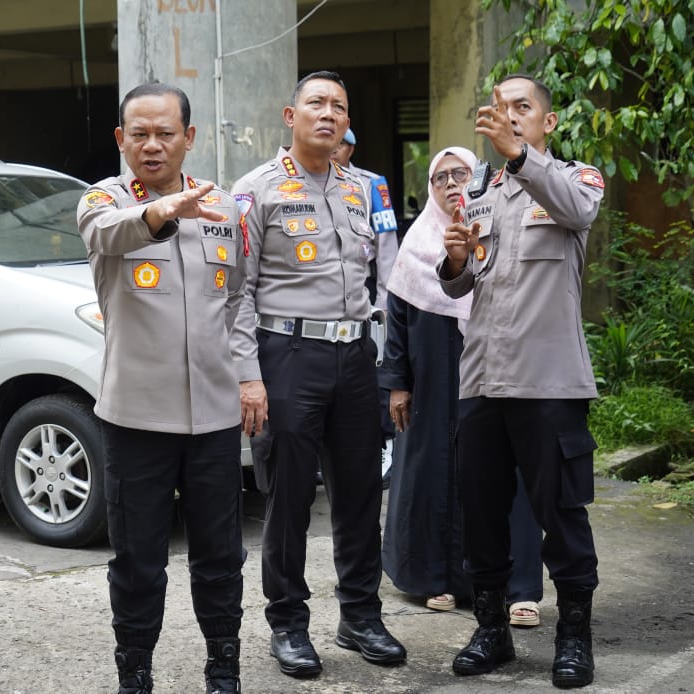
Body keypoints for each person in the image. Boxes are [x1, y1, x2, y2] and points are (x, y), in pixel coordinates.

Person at [231, 71, 405, 680]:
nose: (328, 114)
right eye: (316, 104)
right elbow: (238, 294)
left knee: (360, 493)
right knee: (290, 497)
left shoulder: (368, 189)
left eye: (339, 106)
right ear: (291, 115)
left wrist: (388, 357)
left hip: (354, 356)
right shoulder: (256, 191)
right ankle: (288, 623)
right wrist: (250, 378)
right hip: (287, 356)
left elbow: (388, 277)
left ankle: (360, 615)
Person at [76, 83, 247, 694]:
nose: (152, 146)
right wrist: (164, 212)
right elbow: (106, 234)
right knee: (138, 562)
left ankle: (223, 668)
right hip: (137, 419)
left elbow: (238, 299)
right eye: (139, 135)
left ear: (189, 138)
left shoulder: (223, 205)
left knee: (221, 557)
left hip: (215, 418)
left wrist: (247, 377)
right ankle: (136, 673)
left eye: (165, 133)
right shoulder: (103, 201)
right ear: (121, 139)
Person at [439, 74, 604, 688]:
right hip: (482, 379)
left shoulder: (574, 180)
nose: (508, 117)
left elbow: (578, 208)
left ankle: (574, 636)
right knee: (480, 513)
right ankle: (491, 631)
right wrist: (456, 259)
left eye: (522, 109)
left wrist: (521, 157)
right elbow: (460, 285)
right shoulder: (477, 198)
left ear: (547, 123)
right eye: (501, 108)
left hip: (549, 383)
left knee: (560, 514)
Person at [380, 145, 544, 625]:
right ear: (431, 190)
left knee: (507, 473)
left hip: (500, 376)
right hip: (431, 382)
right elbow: (397, 323)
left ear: (481, 182)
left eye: (463, 174)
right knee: (431, 473)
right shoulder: (416, 246)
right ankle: (434, 580)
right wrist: (396, 385)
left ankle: (519, 590)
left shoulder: (503, 234)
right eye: (441, 178)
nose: (452, 184)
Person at [332, 127, 400, 487]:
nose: (334, 149)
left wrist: (385, 304)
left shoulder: (372, 185)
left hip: (365, 288)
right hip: (323, 292)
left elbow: (386, 247)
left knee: (373, 373)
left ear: (352, 147)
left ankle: (383, 446)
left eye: (341, 144)